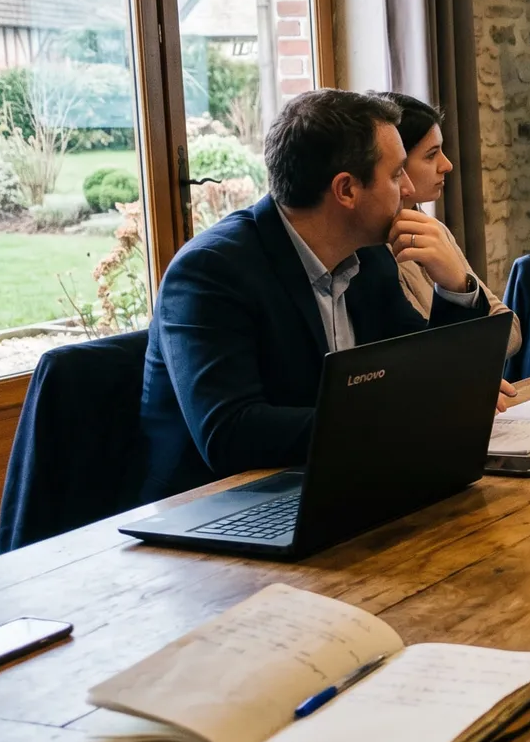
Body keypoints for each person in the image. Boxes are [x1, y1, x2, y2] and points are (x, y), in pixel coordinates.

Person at [140, 89, 494, 501]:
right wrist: (393, 418)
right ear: (346, 190)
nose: (410, 188)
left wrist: (455, 288)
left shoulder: (370, 256)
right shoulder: (210, 272)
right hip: (219, 509)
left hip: (333, 484)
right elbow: (229, 432)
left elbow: (424, 370)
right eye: (397, 174)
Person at [371, 91, 521, 359]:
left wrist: (460, 286)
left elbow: (510, 332)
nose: (447, 165)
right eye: (431, 155)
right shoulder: (374, 250)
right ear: (398, 164)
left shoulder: (433, 229)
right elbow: (428, 357)